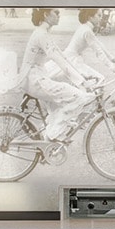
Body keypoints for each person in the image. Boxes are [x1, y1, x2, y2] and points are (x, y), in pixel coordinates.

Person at [18, 9, 95, 139]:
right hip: (35, 80)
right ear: (45, 15)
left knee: (63, 102)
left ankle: (53, 135)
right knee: (79, 97)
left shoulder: (43, 33)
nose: (59, 16)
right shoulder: (41, 35)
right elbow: (58, 60)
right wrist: (81, 82)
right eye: (56, 13)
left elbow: (63, 57)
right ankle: (51, 136)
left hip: (37, 78)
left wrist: (81, 75)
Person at [64, 8, 115, 81]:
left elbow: (99, 44)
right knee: (99, 79)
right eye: (99, 16)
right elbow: (98, 52)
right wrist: (112, 67)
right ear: (90, 17)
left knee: (95, 82)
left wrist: (112, 58)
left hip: (72, 59)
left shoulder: (86, 28)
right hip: (72, 61)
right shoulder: (87, 31)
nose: (101, 18)